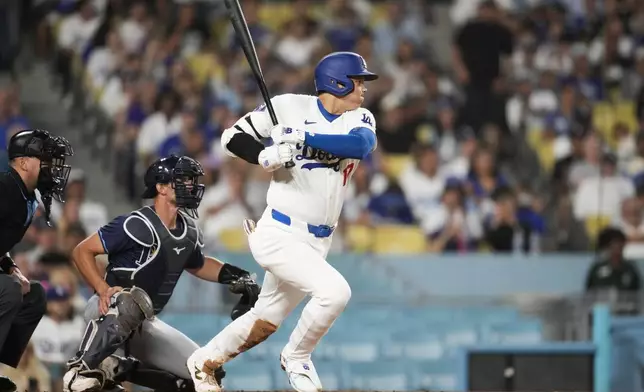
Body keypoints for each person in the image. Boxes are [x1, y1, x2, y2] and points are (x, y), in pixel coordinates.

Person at [187, 51, 379, 392]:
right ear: (337, 81)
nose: (363, 87)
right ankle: (297, 357)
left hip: (317, 241)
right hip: (279, 232)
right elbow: (230, 139)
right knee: (335, 293)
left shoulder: (359, 118)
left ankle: (203, 362)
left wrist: (302, 139)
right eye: (358, 80)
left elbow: (361, 145)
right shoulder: (288, 105)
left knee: (266, 319)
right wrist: (264, 154)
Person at [62, 155, 260, 392]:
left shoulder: (189, 230)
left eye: (191, 179)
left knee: (206, 372)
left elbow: (197, 264)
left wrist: (237, 276)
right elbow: (82, 250)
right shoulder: (136, 223)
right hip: (108, 311)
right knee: (131, 301)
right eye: (183, 179)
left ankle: (119, 368)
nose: (191, 185)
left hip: (145, 321)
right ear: (161, 187)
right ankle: (80, 370)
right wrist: (102, 289)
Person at [0, 129, 74, 392]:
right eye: (44, 161)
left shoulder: (25, 195)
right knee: (7, 289)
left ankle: (1, 366)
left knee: (34, 295)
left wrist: (11, 267)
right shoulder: (6, 186)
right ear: (22, 162)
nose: (50, 168)